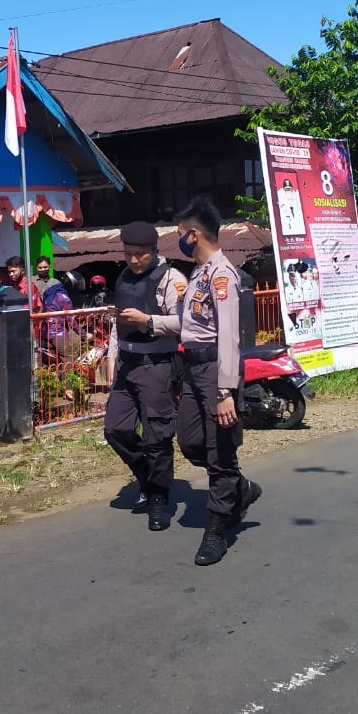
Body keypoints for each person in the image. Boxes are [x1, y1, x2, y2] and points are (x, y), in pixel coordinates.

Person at [174, 197, 261, 566]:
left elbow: (229, 336)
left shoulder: (222, 275)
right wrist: (147, 322)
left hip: (215, 372)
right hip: (193, 369)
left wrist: (225, 391)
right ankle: (239, 488)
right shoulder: (198, 272)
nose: (179, 241)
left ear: (193, 235)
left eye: (181, 235)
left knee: (219, 452)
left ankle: (218, 528)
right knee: (191, 441)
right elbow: (189, 326)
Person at [103, 221, 184, 531]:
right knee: (115, 429)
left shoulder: (171, 279)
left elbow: (185, 322)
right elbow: (117, 325)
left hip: (156, 362)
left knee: (157, 435)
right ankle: (147, 477)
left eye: (140, 255)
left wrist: (149, 321)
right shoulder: (123, 277)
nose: (134, 261)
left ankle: (160, 498)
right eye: (128, 254)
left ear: (154, 251)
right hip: (126, 361)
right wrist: (113, 362)